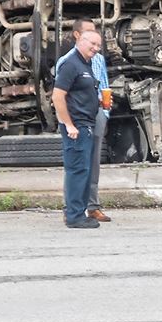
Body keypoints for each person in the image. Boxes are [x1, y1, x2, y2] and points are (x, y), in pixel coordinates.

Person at [55, 18, 112, 223]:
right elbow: (59, 95)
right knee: (77, 164)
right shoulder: (69, 62)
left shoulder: (95, 59)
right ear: (78, 37)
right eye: (91, 39)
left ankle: (91, 206)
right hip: (78, 119)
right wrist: (68, 123)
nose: (96, 46)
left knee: (91, 162)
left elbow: (101, 84)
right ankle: (72, 210)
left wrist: (105, 109)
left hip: (95, 114)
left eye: (98, 42)